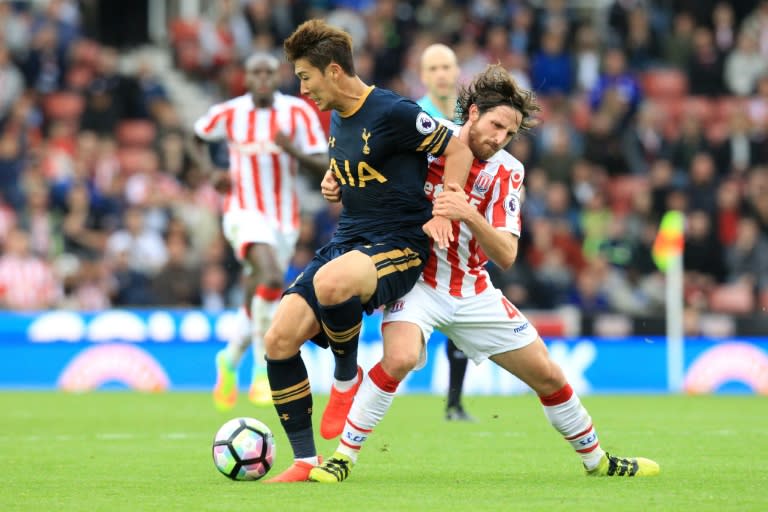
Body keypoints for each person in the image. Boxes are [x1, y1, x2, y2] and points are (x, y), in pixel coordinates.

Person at [309, 65, 660, 482]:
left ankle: (597, 461)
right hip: (417, 280)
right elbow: (368, 157)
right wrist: (338, 178)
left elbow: (508, 254)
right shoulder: (426, 137)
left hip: (473, 290)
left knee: (548, 375)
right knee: (399, 358)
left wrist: (469, 214)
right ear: (472, 113)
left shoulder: (508, 171)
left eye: (509, 134)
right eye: (495, 125)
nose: (499, 139)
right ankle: (343, 459)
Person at [263, 19, 474, 483]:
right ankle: (305, 461)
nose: (302, 90)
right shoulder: (337, 113)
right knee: (277, 339)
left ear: (334, 71)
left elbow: (458, 150)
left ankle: (345, 377)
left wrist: (444, 208)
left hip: (399, 243)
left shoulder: (395, 111)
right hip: (350, 240)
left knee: (331, 281)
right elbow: (362, 165)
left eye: (305, 77)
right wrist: (335, 180)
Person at [191, 52, 329, 410]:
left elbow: (323, 164)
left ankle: (229, 358)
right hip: (242, 210)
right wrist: (210, 172)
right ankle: (262, 371)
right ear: (246, 78)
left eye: (270, 72)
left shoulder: (297, 113)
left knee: (261, 291)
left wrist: (291, 150)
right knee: (270, 275)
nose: (264, 79)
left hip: (284, 219)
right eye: (257, 73)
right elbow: (196, 137)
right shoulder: (230, 112)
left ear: (278, 76)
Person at [416, 42, 473, 422]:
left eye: (446, 66)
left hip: (462, 222)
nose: (441, 73)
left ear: (457, 72)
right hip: (422, 221)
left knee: (461, 308)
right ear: (423, 75)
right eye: (433, 67)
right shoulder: (415, 115)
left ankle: (454, 403)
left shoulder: (473, 117)